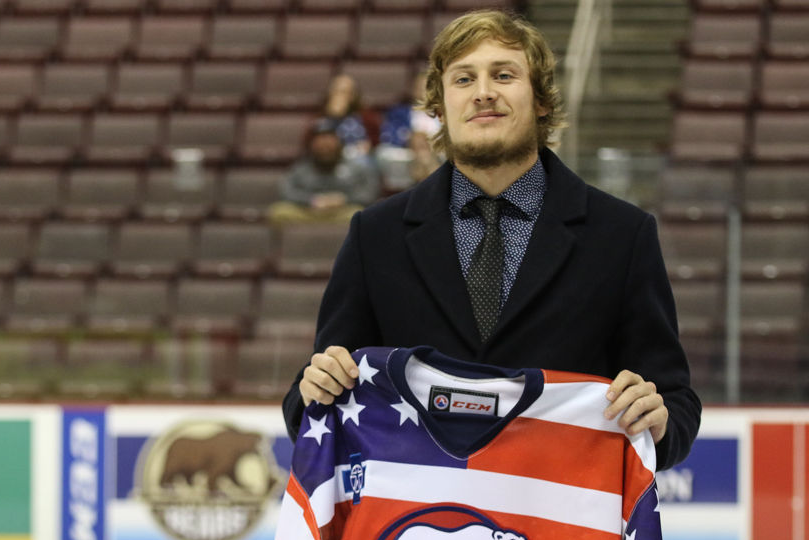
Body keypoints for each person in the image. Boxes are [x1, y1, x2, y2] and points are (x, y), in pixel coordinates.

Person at [283, 11, 701, 504]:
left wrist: (657, 419)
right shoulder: (375, 235)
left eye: (504, 74)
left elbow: (674, 403)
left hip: (561, 537)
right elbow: (312, 401)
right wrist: (313, 389)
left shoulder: (622, 234)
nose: (483, 91)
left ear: (541, 99)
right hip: (415, 523)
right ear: (440, 106)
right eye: (464, 78)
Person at [268, 118, 381, 225]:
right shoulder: (300, 169)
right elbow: (286, 192)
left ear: (340, 143)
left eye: (330, 138)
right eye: (320, 139)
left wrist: (343, 200)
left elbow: (370, 192)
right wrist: (313, 201)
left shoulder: (357, 168)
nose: (325, 144)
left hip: (342, 212)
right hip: (308, 213)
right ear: (312, 144)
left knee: (360, 214)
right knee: (279, 212)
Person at [319, 73, 382, 163]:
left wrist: (370, 146)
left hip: (359, 160)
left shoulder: (366, 115)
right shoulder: (320, 116)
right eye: (335, 91)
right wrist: (332, 116)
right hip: (329, 160)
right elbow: (309, 143)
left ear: (353, 96)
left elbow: (377, 141)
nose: (339, 95)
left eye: (344, 92)